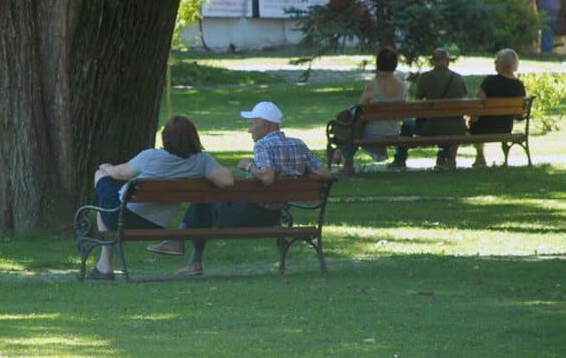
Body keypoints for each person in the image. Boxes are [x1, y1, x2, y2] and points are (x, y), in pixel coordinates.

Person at [165, 101, 330, 277]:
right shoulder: (299, 145)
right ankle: (180, 245)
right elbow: (325, 173)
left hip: (249, 215)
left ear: (266, 124)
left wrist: (248, 165)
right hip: (275, 215)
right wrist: (299, 174)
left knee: (203, 202)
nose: (249, 129)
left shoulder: (263, 145)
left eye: (253, 124)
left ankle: (184, 250)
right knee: (206, 204)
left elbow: (267, 177)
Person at [87, 115, 234, 280]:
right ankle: (103, 265)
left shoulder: (150, 156)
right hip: (157, 224)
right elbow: (227, 180)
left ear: (165, 137)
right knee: (103, 207)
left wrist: (106, 167)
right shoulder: (202, 161)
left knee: (100, 177)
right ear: (194, 137)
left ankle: (105, 265)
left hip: (121, 217)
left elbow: (120, 173)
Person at [392, 48, 468, 170]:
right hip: (457, 127)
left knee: (407, 125)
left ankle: (400, 159)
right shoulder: (459, 79)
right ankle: (442, 157)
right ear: (448, 61)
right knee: (446, 122)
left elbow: (417, 103)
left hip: (432, 127)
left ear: (432, 61)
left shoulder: (425, 78)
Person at [339, 47, 407, 175]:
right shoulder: (402, 86)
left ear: (378, 63)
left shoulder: (372, 85)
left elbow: (360, 108)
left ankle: (346, 163)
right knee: (355, 126)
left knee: (352, 127)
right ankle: (341, 156)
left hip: (373, 132)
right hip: (393, 130)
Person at [470, 49, 526, 168]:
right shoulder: (519, 85)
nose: (494, 64)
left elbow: (477, 103)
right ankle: (503, 159)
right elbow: (520, 116)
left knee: (474, 121)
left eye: (495, 62)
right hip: (505, 127)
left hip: (483, 128)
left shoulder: (489, 81)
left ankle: (480, 156)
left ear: (500, 64)